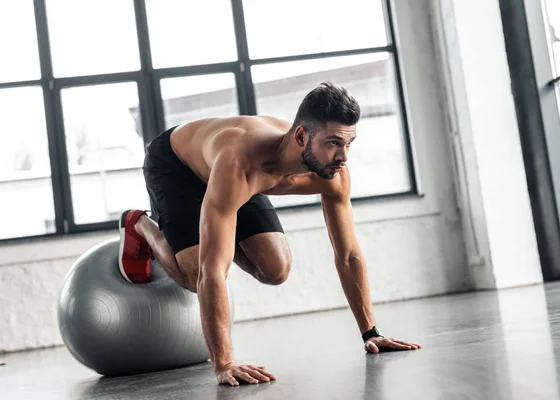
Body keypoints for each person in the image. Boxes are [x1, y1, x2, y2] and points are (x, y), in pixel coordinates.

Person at [118, 82, 421, 386]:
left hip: (232, 178)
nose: (343, 156)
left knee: (276, 270)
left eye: (348, 144)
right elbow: (212, 273)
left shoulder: (333, 174)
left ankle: (217, 224)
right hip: (176, 163)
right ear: (302, 136)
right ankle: (140, 224)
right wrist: (225, 364)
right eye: (333, 143)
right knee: (195, 271)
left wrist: (371, 333)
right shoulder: (241, 165)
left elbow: (349, 255)